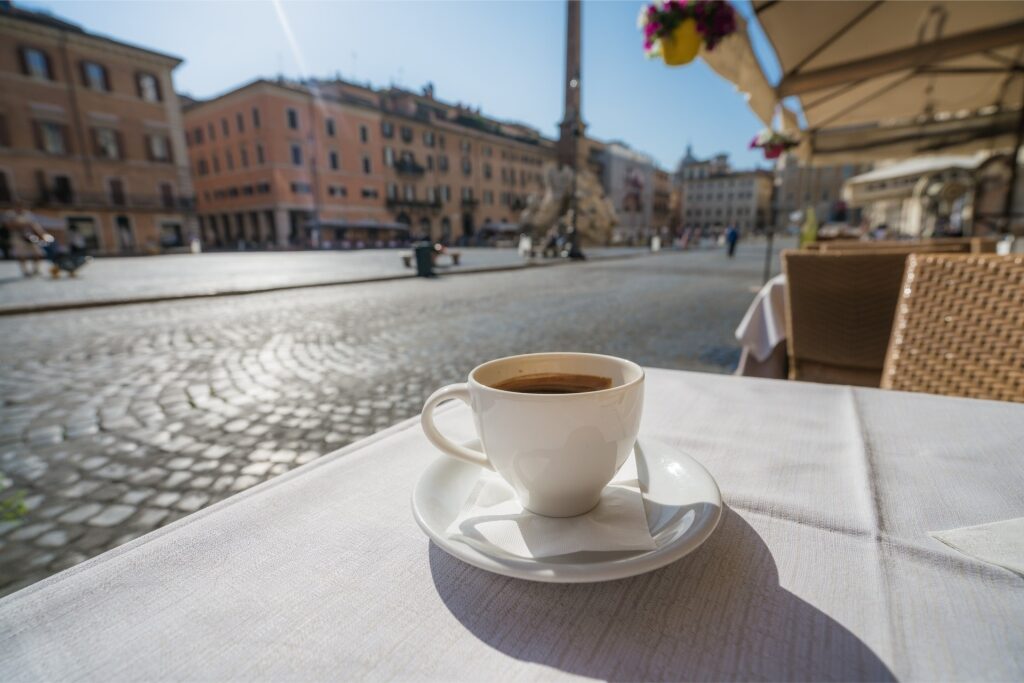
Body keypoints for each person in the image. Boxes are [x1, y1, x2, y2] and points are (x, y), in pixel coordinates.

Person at [2, 202, 47, 277]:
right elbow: (8, 225)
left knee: (38, 253)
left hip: (30, 237)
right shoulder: (10, 214)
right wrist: (22, 224)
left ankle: (36, 270)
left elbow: (34, 225)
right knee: (21, 255)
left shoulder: (28, 214)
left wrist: (41, 235)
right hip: (17, 237)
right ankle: (25, 271)